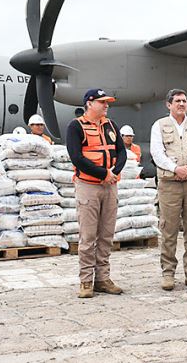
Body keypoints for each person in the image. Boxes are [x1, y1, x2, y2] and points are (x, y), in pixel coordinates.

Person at [66, 88, 127, 298]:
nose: (106, 105)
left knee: (106, 235)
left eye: (107, 102)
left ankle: (102, 278)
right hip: (88, 186)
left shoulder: (111, 125)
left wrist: (114, 173)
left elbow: (121, 151)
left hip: (110, 185)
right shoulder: (76, 126)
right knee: (88, 236)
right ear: (89, 103)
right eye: (102, 102)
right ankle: (85, 281)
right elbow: (77, 158)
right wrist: (103, 174)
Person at [150, 89, 187, 291]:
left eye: (184, 101)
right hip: (170, 183)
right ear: (169, 105)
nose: (182, 104)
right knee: (169, 228)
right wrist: (175, 168)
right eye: (177, 101)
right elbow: (157, 153)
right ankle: (168, 273)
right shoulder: (159, 125)